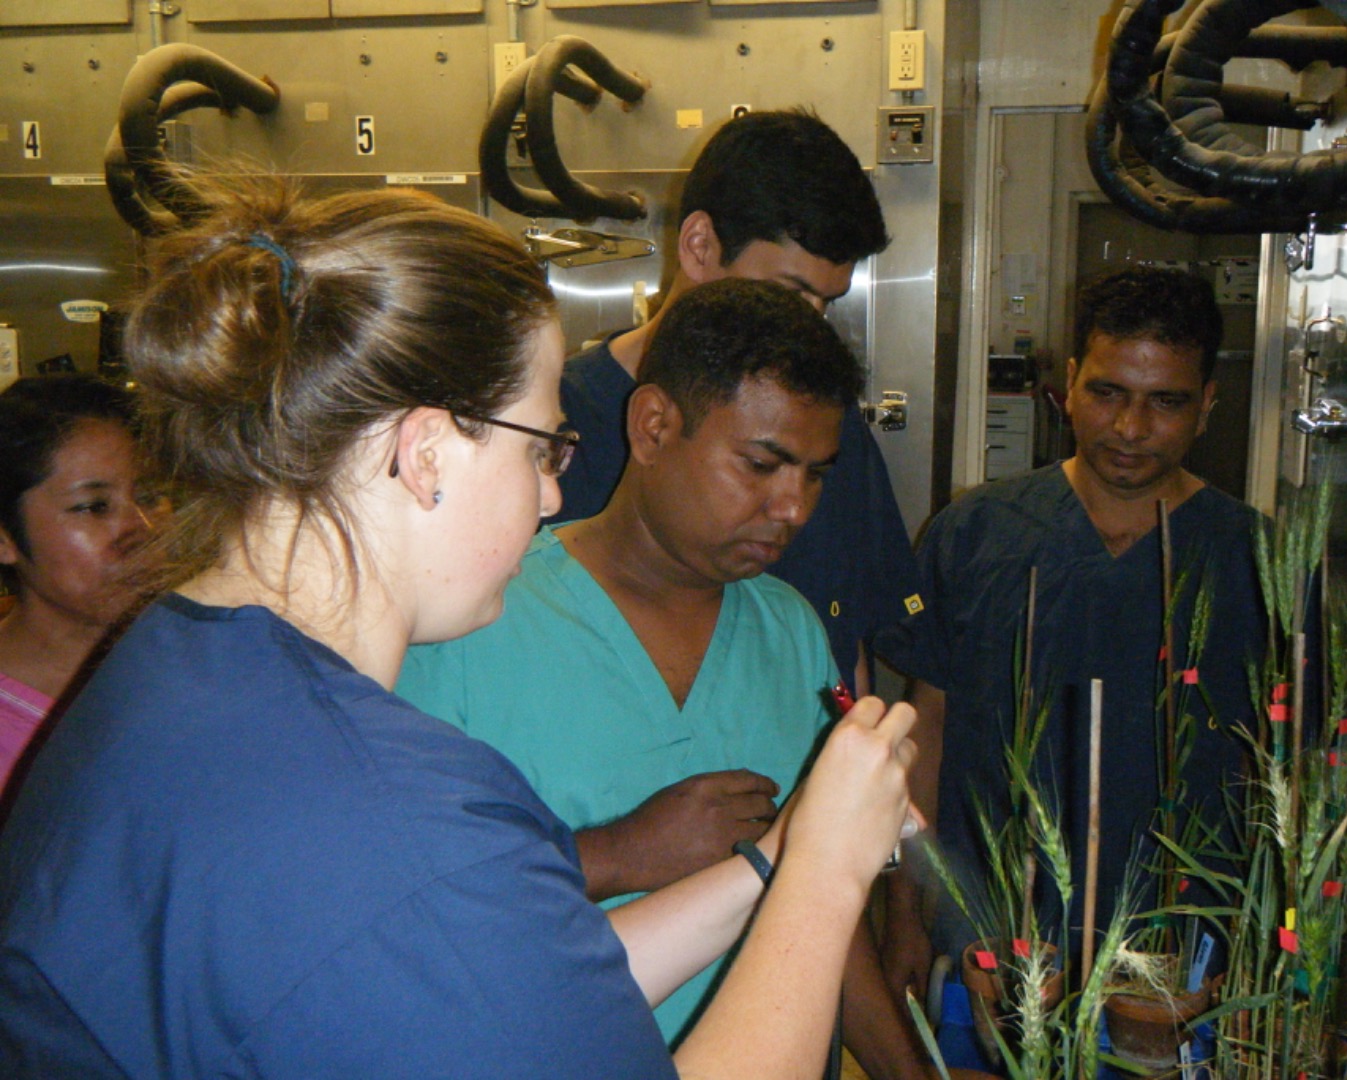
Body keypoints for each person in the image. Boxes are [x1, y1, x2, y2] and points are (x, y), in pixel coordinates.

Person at [0, 175, 919, 1079]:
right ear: (427, 452)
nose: (554, 491)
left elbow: (529, 998)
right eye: (540, 447)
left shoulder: (178, 665)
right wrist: (828, 872)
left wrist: (771, 859)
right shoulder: (396, 822)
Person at [399, 277, 934, 1079]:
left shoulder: (786, 631)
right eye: (761, 464)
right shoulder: (474, 621)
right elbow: (404, 915)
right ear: (653, 427)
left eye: (817, 474)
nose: (793, 506)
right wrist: (615, 854)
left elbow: (814, 905)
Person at [875, 266, 1266, 1001]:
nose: (1129, 427)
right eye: (1107, 392)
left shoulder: (1256, 565)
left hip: (1179, 958)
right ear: (1071, 384)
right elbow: (923, 734)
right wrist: (904, 916)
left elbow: (1284, 779)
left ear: (1207, 406)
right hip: (988, 939)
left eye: (1165, 402)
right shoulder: (976, 535)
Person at [554, 107, 922, 700]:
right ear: (700, 246)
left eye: (828, 302)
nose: (809, 328)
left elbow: (845, 642)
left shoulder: (831, 434)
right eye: (789, 292)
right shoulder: (554, 425)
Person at [0, 375, 156, 794]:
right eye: (93, 507)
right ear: (5, 537)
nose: (140, 528)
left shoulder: (190, 662)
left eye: (150, 495)